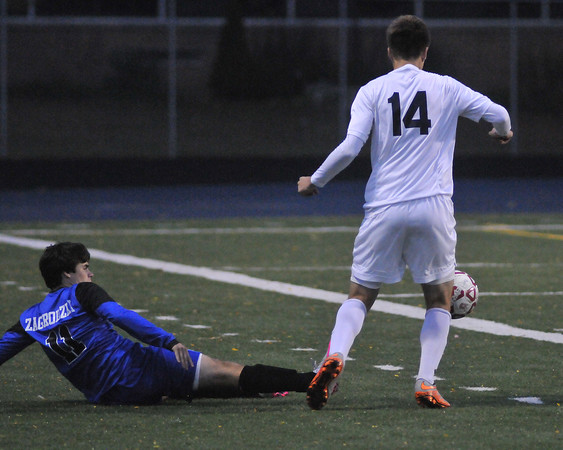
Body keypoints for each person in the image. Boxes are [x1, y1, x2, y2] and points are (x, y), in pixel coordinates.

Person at [298, 15, 512, 410]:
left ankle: (337, 355)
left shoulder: (371, 91)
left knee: (360, 295)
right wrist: (502, 133)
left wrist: (316, 181)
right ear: (425, 51)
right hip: (433, 207)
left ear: (389, 51)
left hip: (383, 207)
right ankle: (425, 382)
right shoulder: (446, 87)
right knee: (438, 300)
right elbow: (499, 113)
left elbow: (349, 147)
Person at [0, 242, 315, 405]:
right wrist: (166, 339)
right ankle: (309, 381)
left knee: (194, 385)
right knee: (225, 370)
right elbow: (120, 316)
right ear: (68, 274)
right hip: (137, 368)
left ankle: (260, 389)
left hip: (108, 395)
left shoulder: (29, 319)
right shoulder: (82, 292)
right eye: (85, 267)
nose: (90, 273)